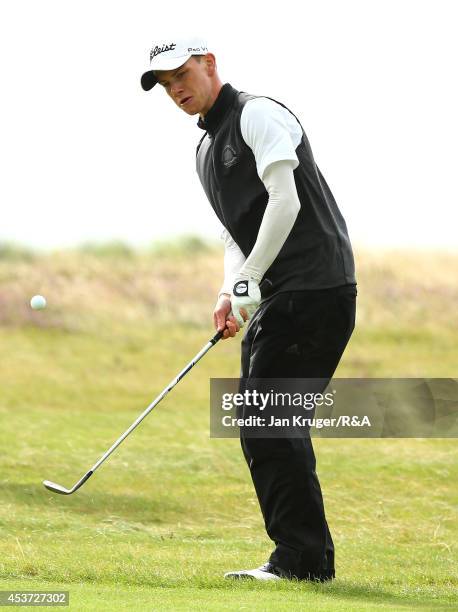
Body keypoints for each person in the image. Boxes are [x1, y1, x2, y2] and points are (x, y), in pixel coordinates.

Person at [141, 36, 357, 581]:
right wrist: (230, 291)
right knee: (269, 423)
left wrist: (251, 280)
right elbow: (237, 233)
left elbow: (287, 201)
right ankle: (306, 561)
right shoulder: (204, 152)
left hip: (312, 288)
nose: (176, 89)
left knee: (266, 422)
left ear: (209, 64)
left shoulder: (258, 115)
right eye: (165, 85)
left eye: (181, 74)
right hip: (283, 297)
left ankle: (301, 561)